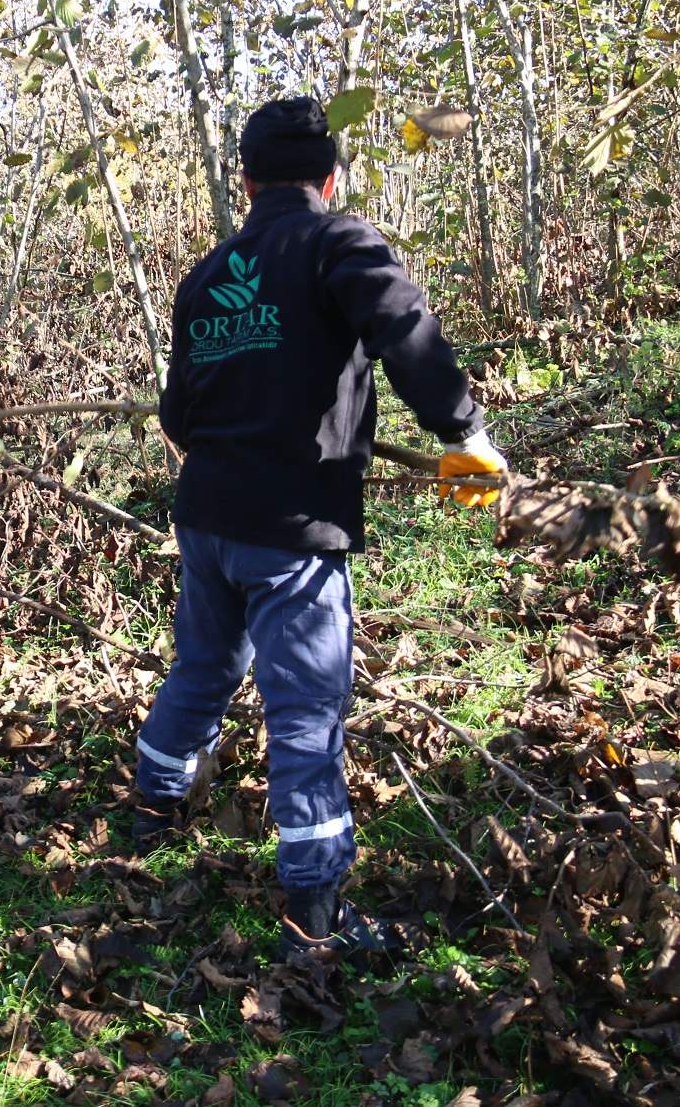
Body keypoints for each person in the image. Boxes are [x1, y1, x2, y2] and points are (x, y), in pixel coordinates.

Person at [134, 97, 507, 965]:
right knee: (306, 710)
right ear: (330, 179)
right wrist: (465, 433)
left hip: (207, 521)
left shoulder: (208, 272)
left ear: (247, 180)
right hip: (293, 532)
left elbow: (178, 412)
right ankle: (315, 912)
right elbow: (404, 330)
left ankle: (153, 809)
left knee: (203, 668)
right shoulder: (341, 242)